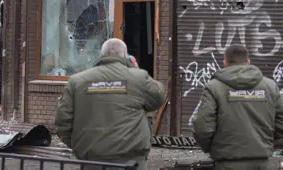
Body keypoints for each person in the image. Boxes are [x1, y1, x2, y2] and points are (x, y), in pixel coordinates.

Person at [54, 38, 165, 170]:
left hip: (91, 160)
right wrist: (135, 69)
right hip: (131, 160)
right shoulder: (138, 78)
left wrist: (79, 145)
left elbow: (63, 121)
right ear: (125, 55)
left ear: (101, 55)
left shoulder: (77, 81)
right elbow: (158, 97)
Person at [192, 44, 283, 170]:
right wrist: (269, 143)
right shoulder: (270, 86)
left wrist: (210, 148)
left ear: (225, 63)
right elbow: (281, 121)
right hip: (262, 163)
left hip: (226, 162)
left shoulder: (214, 87)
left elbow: (202, 125)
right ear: (249, 62)